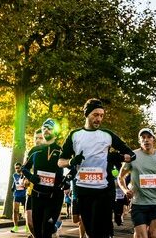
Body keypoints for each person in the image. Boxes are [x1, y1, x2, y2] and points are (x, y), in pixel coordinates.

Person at [57, 98, 135, 238]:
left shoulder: (107, 135)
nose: (99, 118)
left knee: (102, 231)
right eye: (95, 114)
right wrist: (71, 161)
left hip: (104, 190)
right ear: (86, 114)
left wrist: (116, 157)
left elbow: (131, 155)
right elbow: (60, 162)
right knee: (90, 230)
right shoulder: (75, 135)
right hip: (83, 189)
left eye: (101, 115)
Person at [118, 128, 156, 238]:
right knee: (142, 236)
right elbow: (120, 177)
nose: (146, 140)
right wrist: (125, 190)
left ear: (153, 139)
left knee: (153, 235)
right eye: (143, 138)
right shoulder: (132, 156)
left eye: (149, 137)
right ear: (139, 141)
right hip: (138, 203)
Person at [22, 118, 65, 237]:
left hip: (54, 197)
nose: (46, 130)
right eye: (44, 128)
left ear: (56, 132)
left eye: (49, 128)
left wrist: (66, 180)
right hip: (37, 195)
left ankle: (54, 226)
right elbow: (24, 168)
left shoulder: (61, 150)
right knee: (37, 231)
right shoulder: (35, 150)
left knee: (46, 230)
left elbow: (72, 166)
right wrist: (31, 177)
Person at [10, 162, 26, 233]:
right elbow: (15, 182)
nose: (17, 169)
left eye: (18, 168)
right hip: (17, 194)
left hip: (25, 195)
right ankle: (15, 226)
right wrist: (13, 187)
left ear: (21, 168)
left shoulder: (25, 174)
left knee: (26, 211)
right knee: (15, 210)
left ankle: (27, 226)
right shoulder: (14, 175)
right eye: (16, 168)